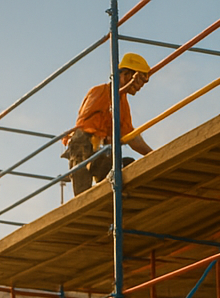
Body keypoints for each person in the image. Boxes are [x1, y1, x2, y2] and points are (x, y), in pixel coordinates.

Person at [62, 53, 153, 196]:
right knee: (83, 195)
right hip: (83, 145)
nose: (140, 86)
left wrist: (152, 155)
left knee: (126, 166)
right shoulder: (100, 92)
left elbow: (131, 137)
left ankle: (112, 194)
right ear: (126, 75)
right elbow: (85, 127)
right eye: (138, 80)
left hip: (100, 149)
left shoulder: (122, 102)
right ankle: (84, 200)